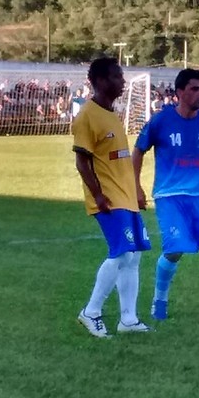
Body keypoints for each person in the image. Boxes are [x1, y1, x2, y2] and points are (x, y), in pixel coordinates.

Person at [132, 68, 199, 321]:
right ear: (180, 92)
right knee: (175, 250)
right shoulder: (161, 121)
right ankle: (159, 301)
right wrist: (136, 186)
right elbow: (138, 150)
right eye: (194, 89)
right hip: (169, 197)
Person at [73, 57, 152, 338]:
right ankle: (91, 312)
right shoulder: (87, 116)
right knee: (121, 253)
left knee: (133, 256)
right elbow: (82, 162)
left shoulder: (112, 114)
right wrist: (98, 195)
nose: (123, 81)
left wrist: (135, 190)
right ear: (101, 81)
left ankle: (128, 319)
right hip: (108, 199)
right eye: (118, 77)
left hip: (125, 197)